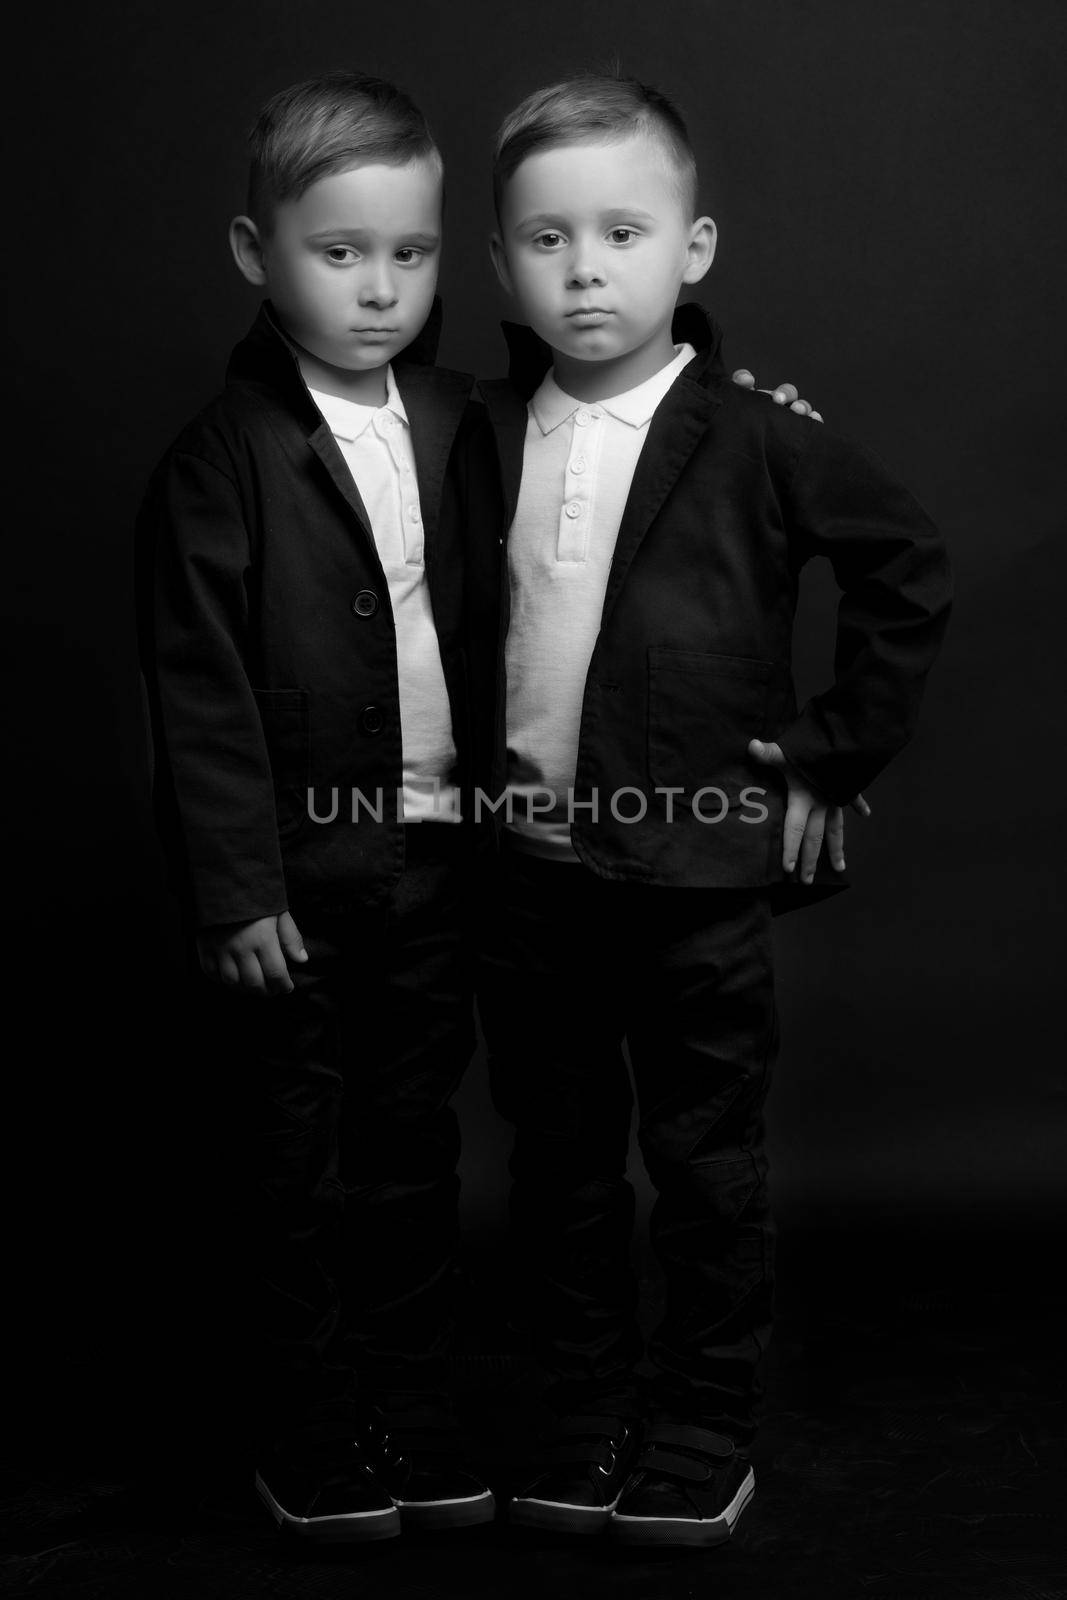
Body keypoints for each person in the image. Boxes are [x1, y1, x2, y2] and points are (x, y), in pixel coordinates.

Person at [476, 73, 952, 1548]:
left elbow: (904, 566)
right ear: (501, 265)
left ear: (694, 249)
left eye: (623, 231)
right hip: (529, 878)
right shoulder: (476, 428)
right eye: (547, 239)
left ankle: (700, 1418)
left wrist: (827, 756)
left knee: (704, 1164)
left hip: (693, 875)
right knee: (557, 1170)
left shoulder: (754, 432)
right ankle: (579, 1409)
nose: (585, 266)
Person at [136, 69, 502, 1543]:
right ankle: (305, 1416)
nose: (379, 287)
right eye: (338, 253)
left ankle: (408, 1398)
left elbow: (631, 432)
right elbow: (197, 696)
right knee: (292, 1161)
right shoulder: (219, 461)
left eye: (409, 254)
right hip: (292, 882)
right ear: (255, 253)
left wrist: (735, 384)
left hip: (432, 867)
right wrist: (235, 890)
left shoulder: (469, 417)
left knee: (414, 1152)